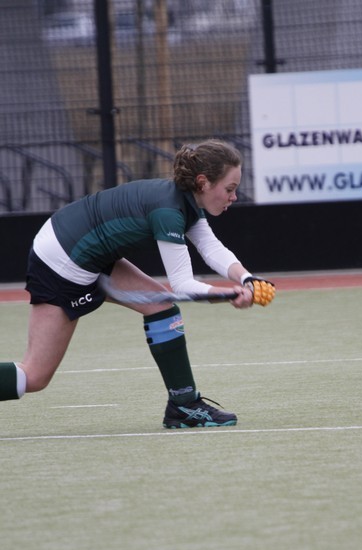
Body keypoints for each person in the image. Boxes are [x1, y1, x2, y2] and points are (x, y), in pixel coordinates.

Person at [0, 138, 275, 428]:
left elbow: (211, 248)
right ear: (203, 182)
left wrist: (246, 278)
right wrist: (228, 294)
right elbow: (182, 284)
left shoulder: (187, 199)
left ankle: (183, 405)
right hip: (63, 259)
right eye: (229, 189)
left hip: (86, 248)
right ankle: (183, 405)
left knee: (161, 308)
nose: (234, 196)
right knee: (35, 376)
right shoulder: (168, 211)